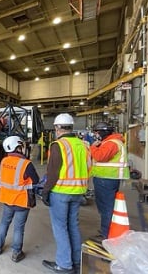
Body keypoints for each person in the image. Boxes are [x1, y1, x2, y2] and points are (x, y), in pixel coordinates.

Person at [42, 113, 92, 274]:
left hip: (60, 192)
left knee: (60, 228)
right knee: (73, 226)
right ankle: (77, 262)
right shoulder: (84, 145)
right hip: (78, 192)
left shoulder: (58, 145)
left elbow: (53, 172)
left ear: (57, 128)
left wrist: (45, 191)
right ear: (71, 127)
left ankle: (64, 264)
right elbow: (90, 167)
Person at [0, 136, 39, 263]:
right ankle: (16, 253)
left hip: (7, 199)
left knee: (4, 223)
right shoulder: (26, 164)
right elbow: (36, 180)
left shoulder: (4, 161)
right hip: (21, 201)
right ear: (18, 147)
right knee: (19, 228)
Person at [90, 122, 129, 240]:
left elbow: (100, 156)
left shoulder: (112, 143)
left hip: (106, 179)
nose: (96, 134)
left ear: (103, 132)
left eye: (97, 132)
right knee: (105, 207)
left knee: (106, 208)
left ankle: (105, 234)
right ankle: (105, 230)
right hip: (106, 179)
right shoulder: (109, 142)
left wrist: (92, 147)